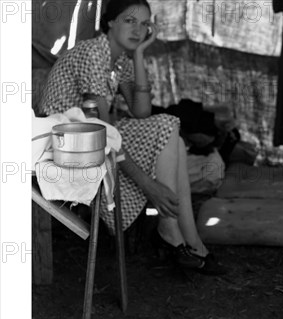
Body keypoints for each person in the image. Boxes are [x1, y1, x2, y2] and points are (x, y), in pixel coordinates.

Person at [39, 0, 225, 275]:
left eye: (145, 24)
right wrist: (148, 185)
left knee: (170, 130)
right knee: (168, 127)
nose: (139, 29)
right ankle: (177, 234)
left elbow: (141, 111)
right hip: (62, 144)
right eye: (130, 20)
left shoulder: (119, 60)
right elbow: (101, 134)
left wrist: (138, 54)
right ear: (111, 22)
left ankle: (183, 236)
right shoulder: (93, 53)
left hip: (86, 138)